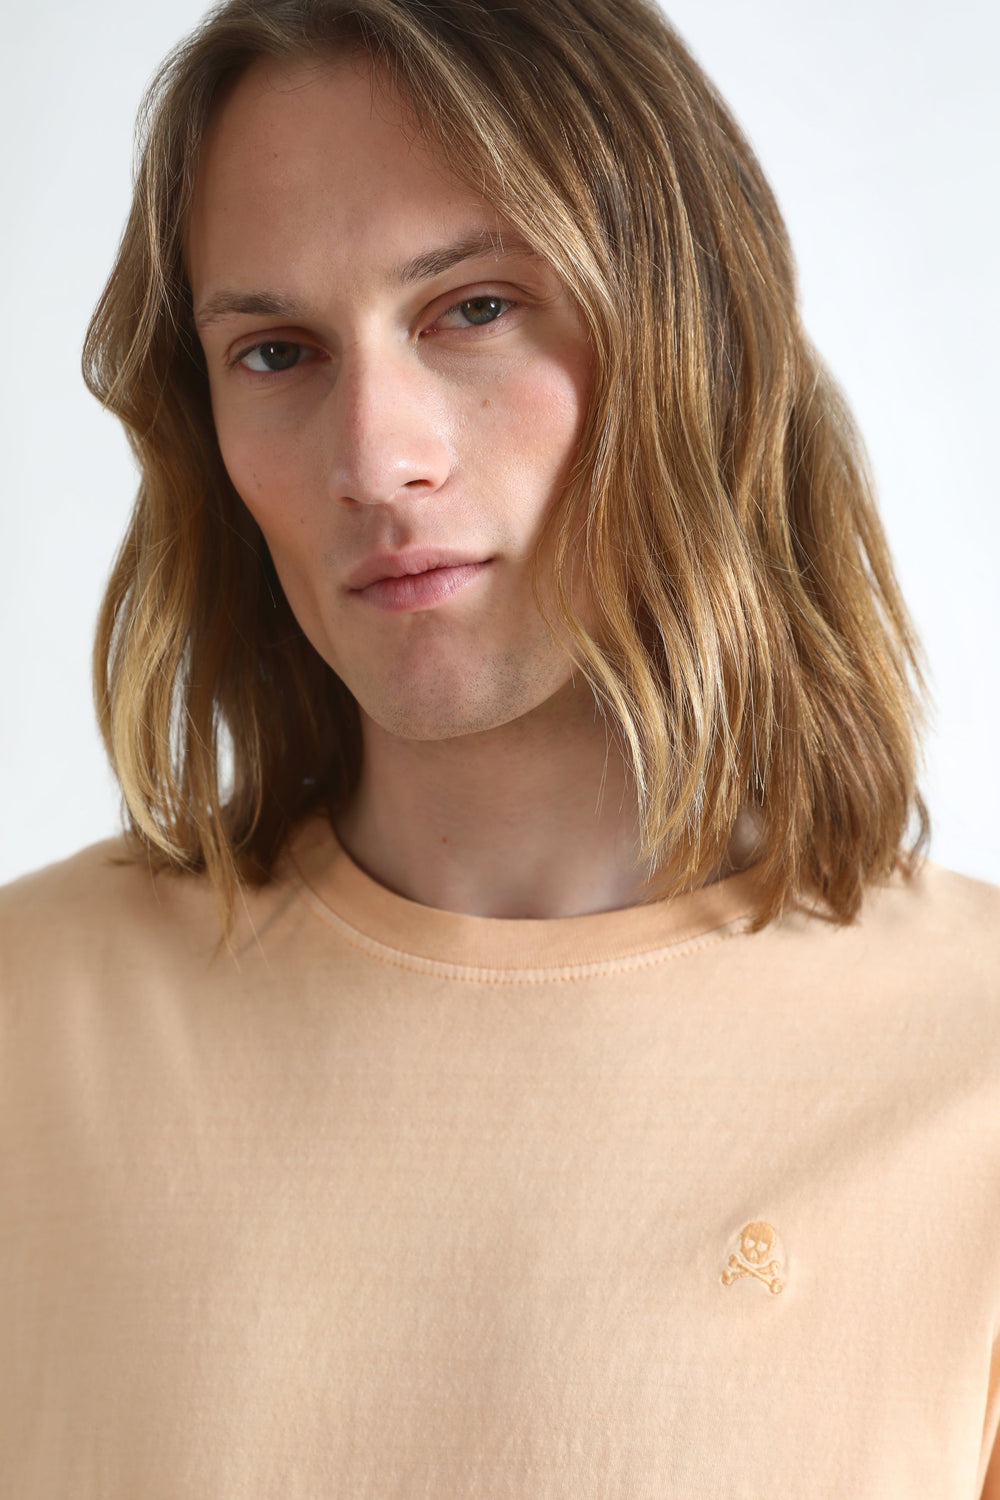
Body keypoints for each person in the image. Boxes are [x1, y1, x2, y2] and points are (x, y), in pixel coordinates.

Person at [2, 0, 998, 1492]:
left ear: (696, 333)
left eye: (473, 308)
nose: (375, 460)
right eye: (275, 352)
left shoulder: (974, 1062)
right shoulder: (29, 1023)